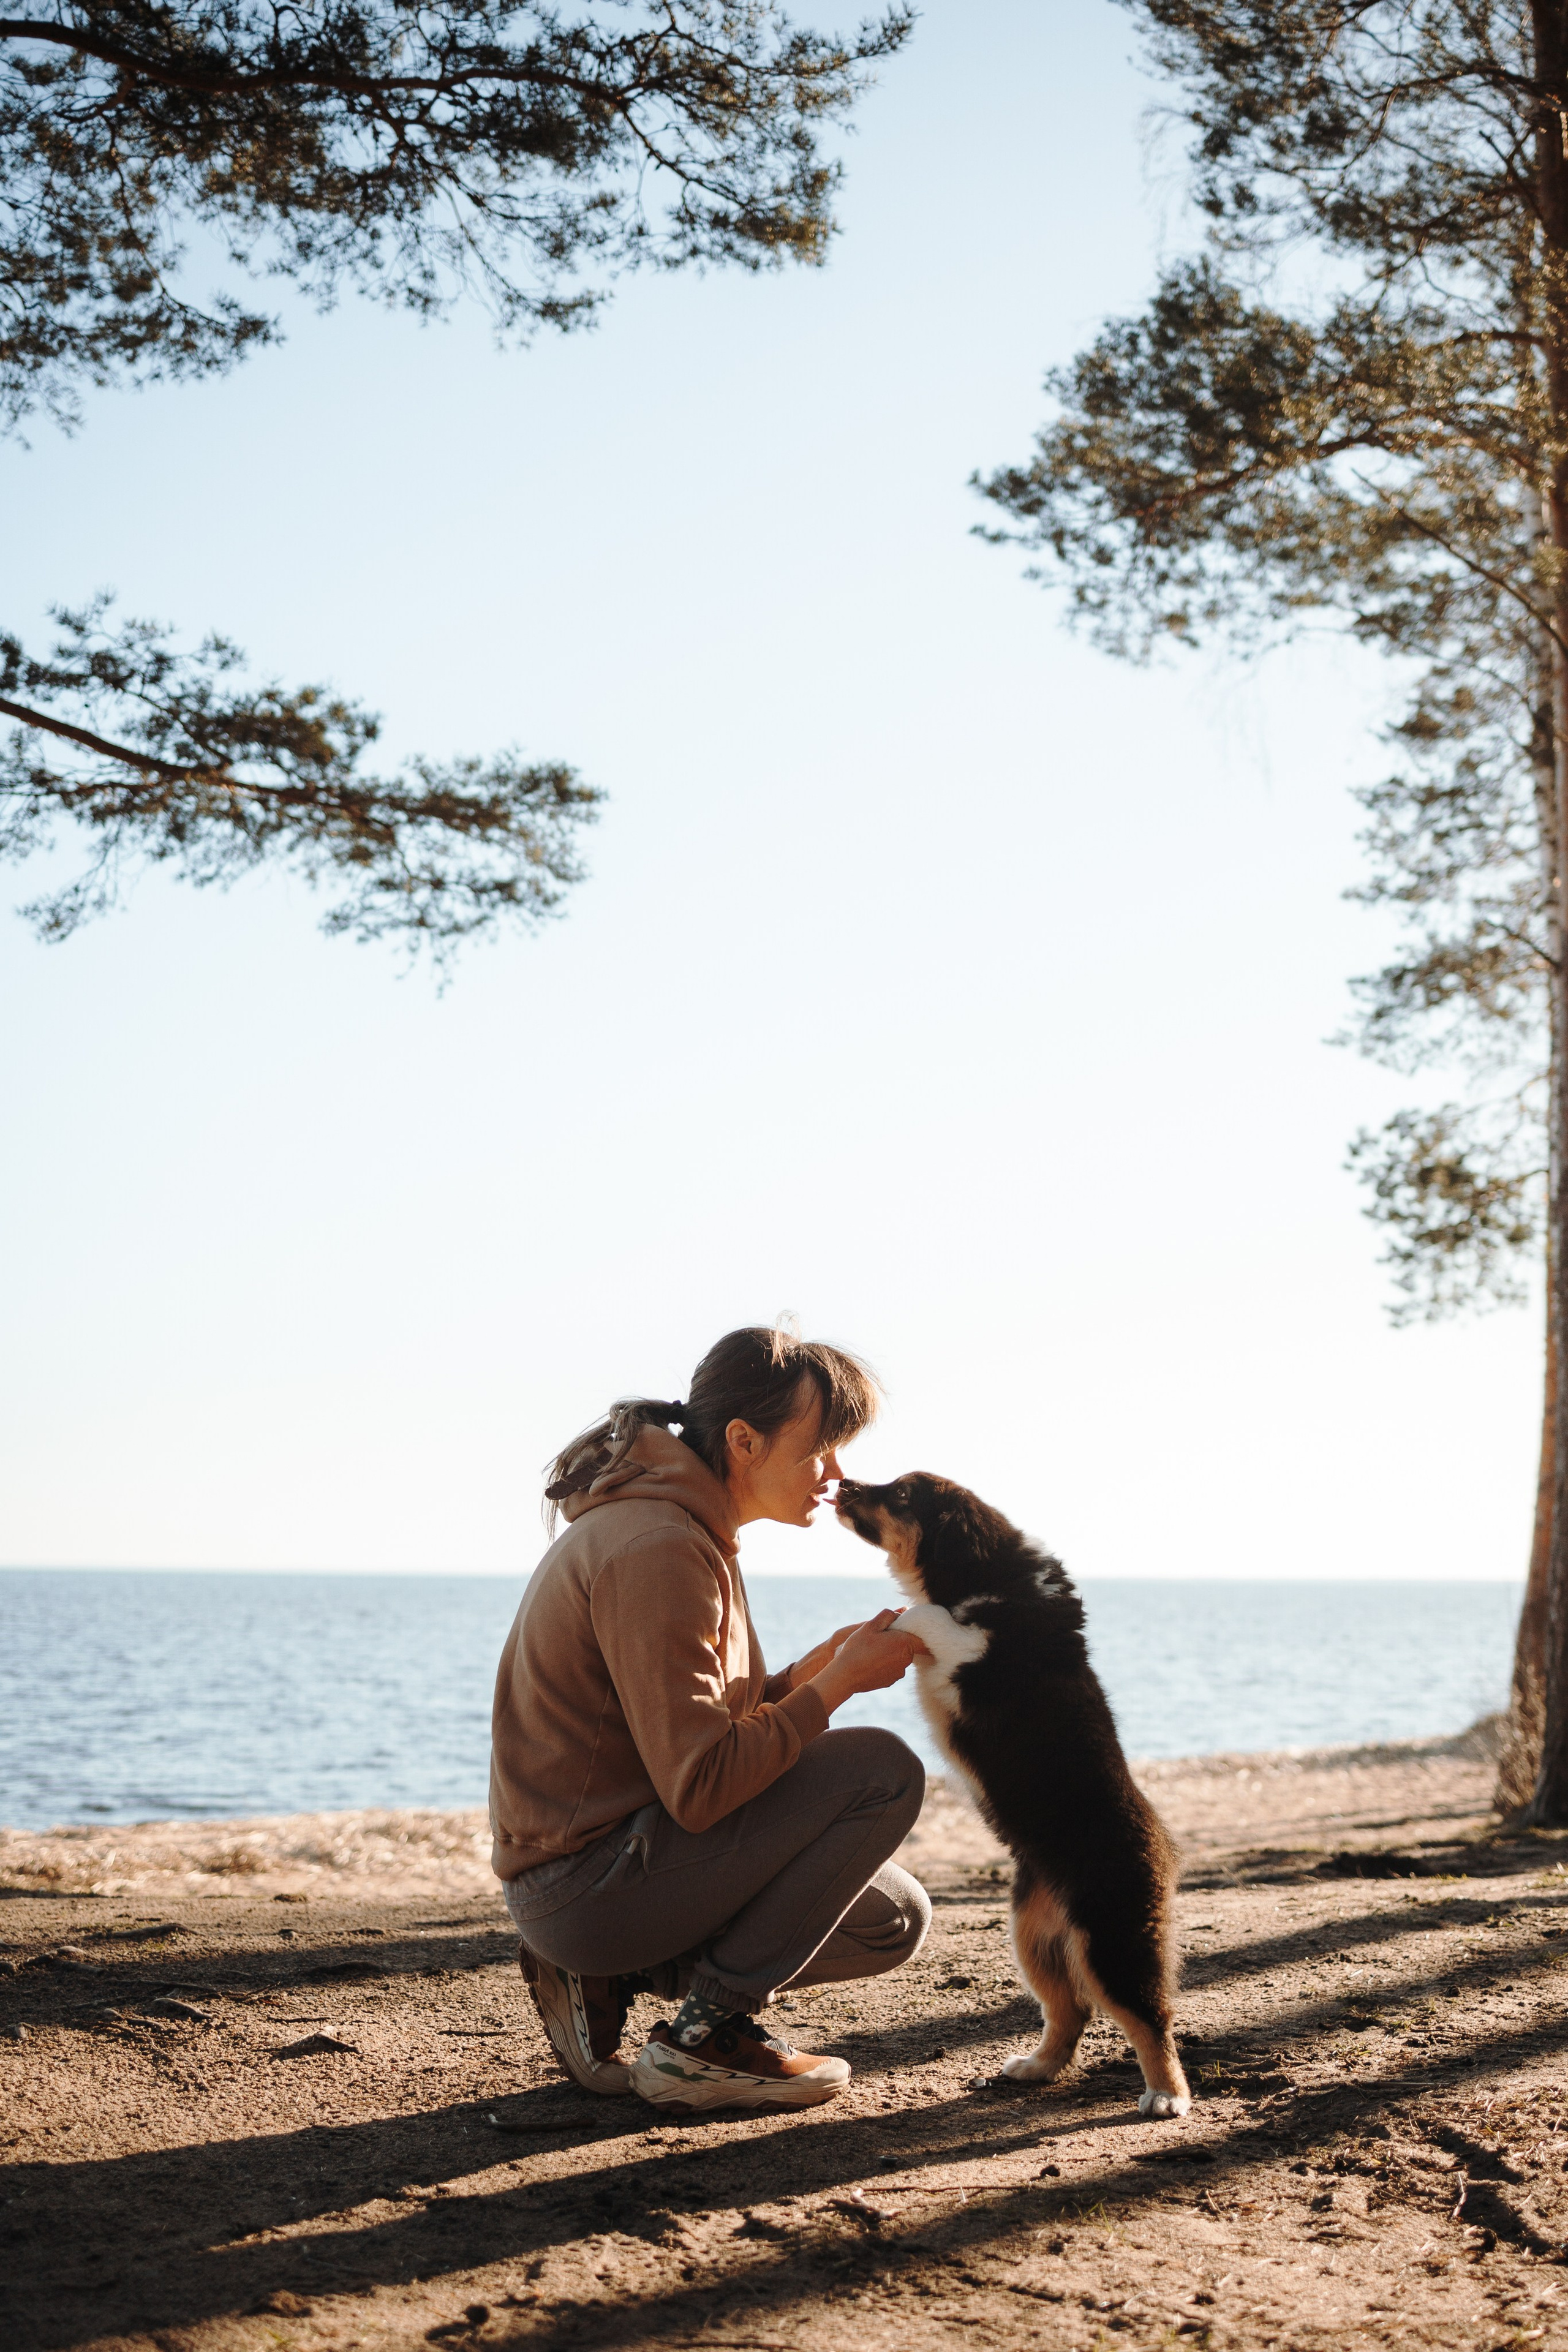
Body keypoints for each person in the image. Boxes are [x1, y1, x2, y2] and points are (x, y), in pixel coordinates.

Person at [489, 1324, 930, 2114]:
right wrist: (832, 1692)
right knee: (880, 1771)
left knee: (888, 1919)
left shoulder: (684, 1529)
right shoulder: (658, 1546)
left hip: (607, 1863)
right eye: (820, 1447)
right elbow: (700, 1785)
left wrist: (808, 1675)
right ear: (743, 1441)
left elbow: (692, 1734)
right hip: (584, 1882)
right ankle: (703, 2039)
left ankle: (605, 1973)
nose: (835, 1474)